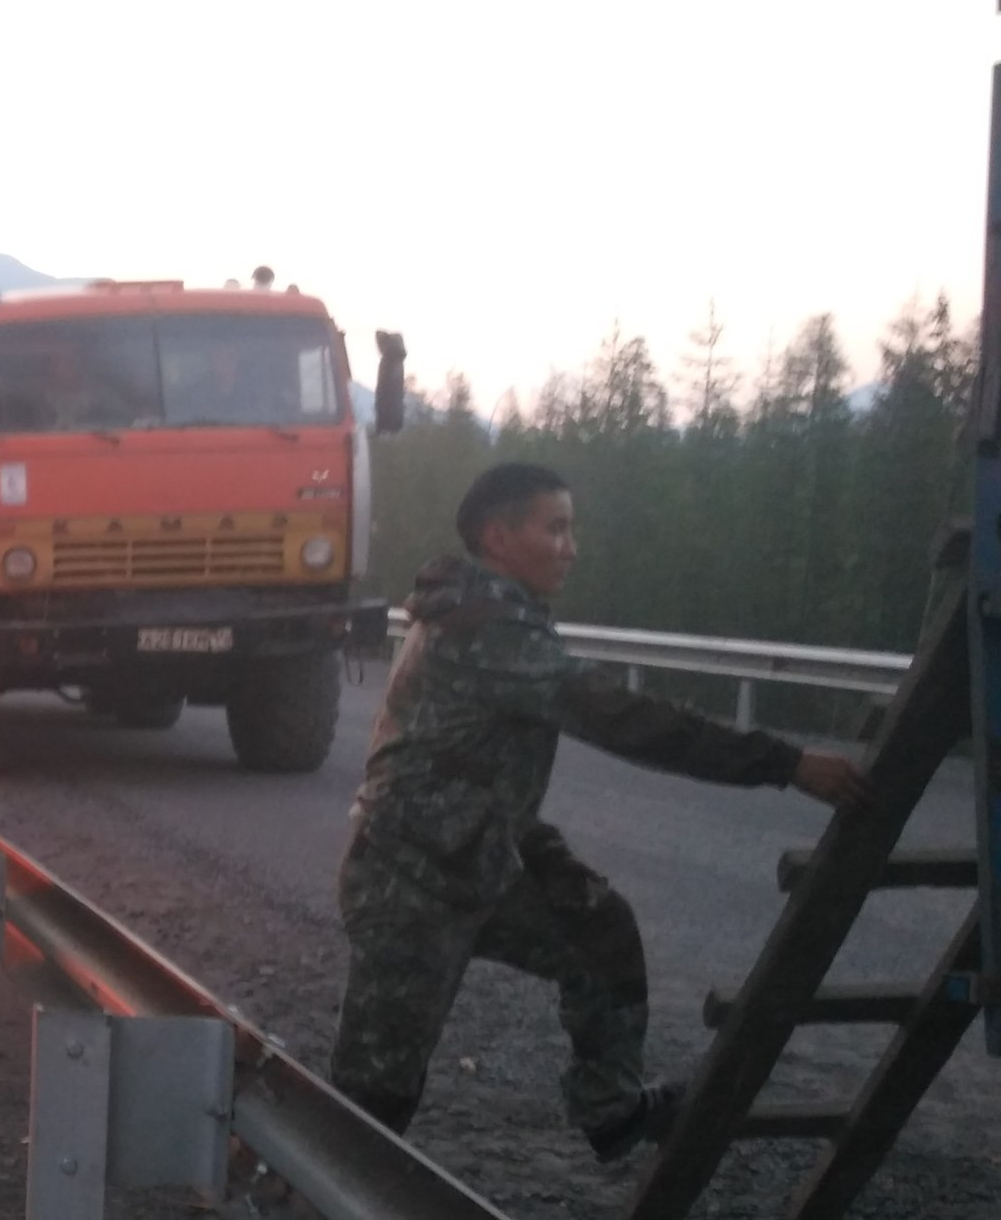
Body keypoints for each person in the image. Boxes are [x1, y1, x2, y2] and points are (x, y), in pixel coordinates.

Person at [329, 461, 871, 1161]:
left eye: (571, 529)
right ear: (498, 537)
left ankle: (610, 1108)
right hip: (409, 884)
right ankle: (312, 1214)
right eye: (554, 529)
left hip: (476, 860)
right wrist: (784, 763)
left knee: (599, 936)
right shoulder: (484, 629)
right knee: (374, 1098)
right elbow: (623, 720)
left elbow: (475, 764)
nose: (571, 548)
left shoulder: (491, 614)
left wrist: (534, 847)